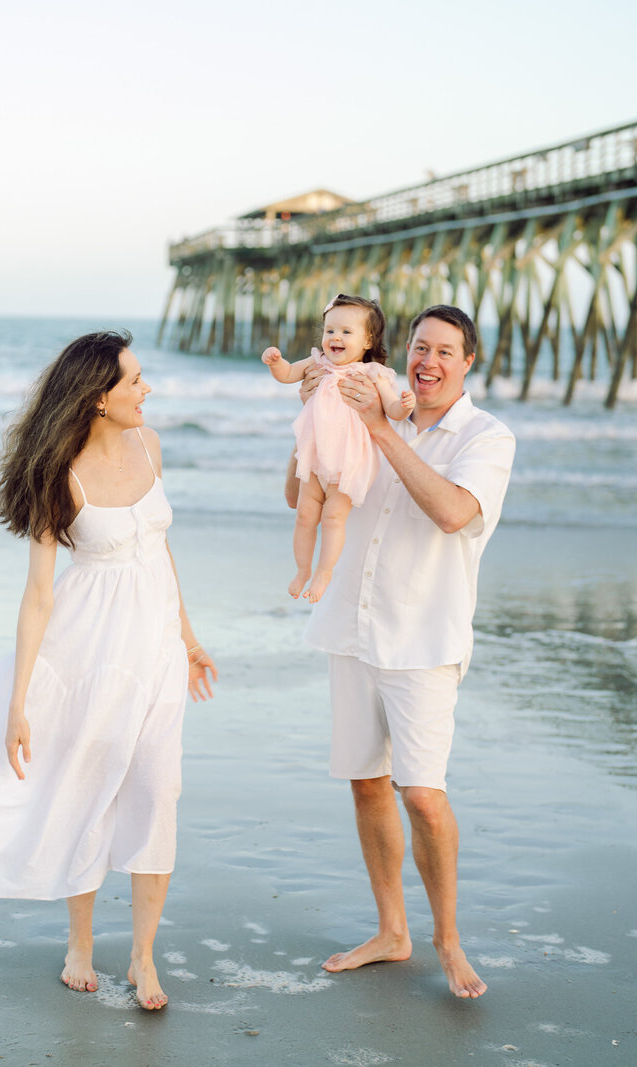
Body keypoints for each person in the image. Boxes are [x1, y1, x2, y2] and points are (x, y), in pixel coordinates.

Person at [0, 330, 217, 1011]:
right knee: (87, 790)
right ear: (98, 398)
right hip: (88, 650)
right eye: (133, 381)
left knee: (159, 790)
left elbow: (159, 548)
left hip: (154, 648)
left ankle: (144, 958)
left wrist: (188, 636)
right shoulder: (58, 474)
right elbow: (39, 595)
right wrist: (18, 700)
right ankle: (80, 945)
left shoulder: (150, 447)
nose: (146, 389)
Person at [287, 305, 515, 999]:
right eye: (420, 346)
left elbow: (453, 513)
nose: (429, 361)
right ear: (402, 349)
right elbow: (297, 493)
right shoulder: (362, 406)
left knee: (421, 792)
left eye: (446, 351)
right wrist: (314, 415)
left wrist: (380, 429)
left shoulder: (486, 435)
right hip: (352, 629)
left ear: (468, 361)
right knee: (364, 780)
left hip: (424, 640)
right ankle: (393, 930)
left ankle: (446, 937)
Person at [263, 294, 414, 603]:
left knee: (333, 518)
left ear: (368, 340)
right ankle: (302, 570)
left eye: (347, 332)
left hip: (349, 462)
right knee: (305, 515)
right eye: (330, 330)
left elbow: (393, 409)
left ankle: (324, 572)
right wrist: (276, 363)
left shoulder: (372, 374)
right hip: (315, 457)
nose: (335, 337)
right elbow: (288, 375)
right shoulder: (317, 362)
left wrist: (404, 404)